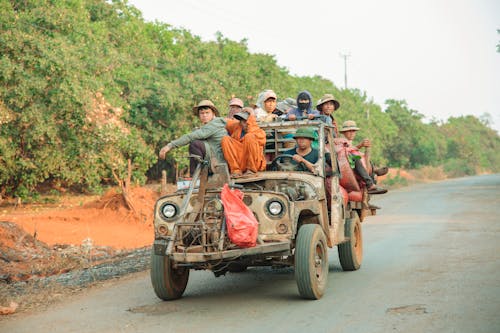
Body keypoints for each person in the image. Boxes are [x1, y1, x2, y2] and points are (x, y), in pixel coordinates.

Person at [159, 100, 227, 175]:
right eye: (202, 113)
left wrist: (169, 146)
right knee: (195, 143)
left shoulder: (215, 123)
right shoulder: (206, 126)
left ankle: (197, 174)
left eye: (207, 113)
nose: (204, 115)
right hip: (212, 155)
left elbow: (190, 136)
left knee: (195, 144)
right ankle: (195, 174)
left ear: (213, 113)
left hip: (218, 159)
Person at [338, 120, 387, 194]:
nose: (352, 133)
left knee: (362, 157)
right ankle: (369, 184)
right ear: (344, 133)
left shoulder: (350, 142)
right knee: (356, 159)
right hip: (344, 163)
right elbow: (344, 152)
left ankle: (373, 171)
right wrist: (360, 146)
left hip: (351, 161)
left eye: (353, 131)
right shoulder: (341, 141)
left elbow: (353, 150)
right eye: (349, 131)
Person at [221, 107, 266, 178]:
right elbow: (224, 121)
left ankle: (251, 170)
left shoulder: (259, 131)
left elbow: (260, 140)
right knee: (225, 139)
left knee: (249, 136)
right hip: (240, 162)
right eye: (243, 121)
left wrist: (252, 114)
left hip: (254, 164)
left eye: (247, 121)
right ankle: (235, 170)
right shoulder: (237, 127)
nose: (245, 124)